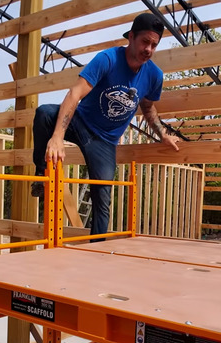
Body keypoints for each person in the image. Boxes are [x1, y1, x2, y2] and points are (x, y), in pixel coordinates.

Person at [31, 12, 180, 237]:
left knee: (103, 199)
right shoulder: (108, 59)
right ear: (131, 37)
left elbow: (148, 108)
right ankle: (41, 176)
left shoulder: (154, 75)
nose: (148, 49)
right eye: (145, 42)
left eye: (154, 45)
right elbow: (75, 93)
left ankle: (98, 247)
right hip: (80, 122)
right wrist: (58, 137)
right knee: (44, 113)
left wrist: (162, 134)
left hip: (104, 141)